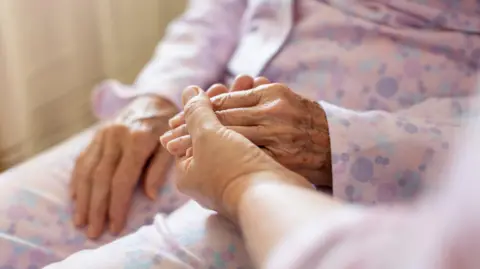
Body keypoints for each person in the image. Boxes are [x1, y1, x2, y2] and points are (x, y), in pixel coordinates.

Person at [0, 0, 479, 268]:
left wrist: (337, 139)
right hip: (194, 121)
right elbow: (219, 10)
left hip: (345, 185)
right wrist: (155, 96)